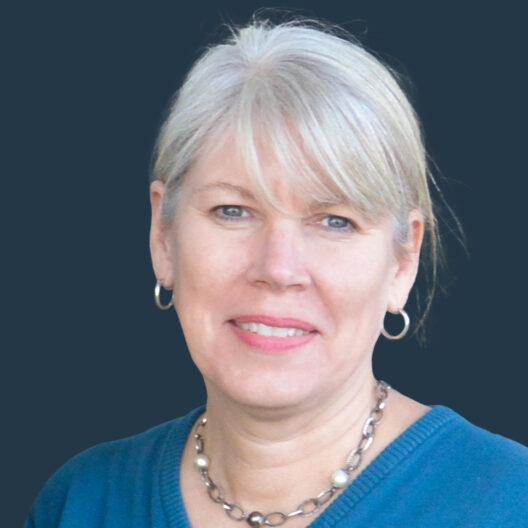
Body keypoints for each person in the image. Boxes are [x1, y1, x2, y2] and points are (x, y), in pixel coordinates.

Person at [25, 17, 527, 528]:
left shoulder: (511, 502)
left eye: (335, 221)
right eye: (232, 211)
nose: (279, 269)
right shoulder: (82, 503)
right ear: (163, 235)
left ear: (402, 263)